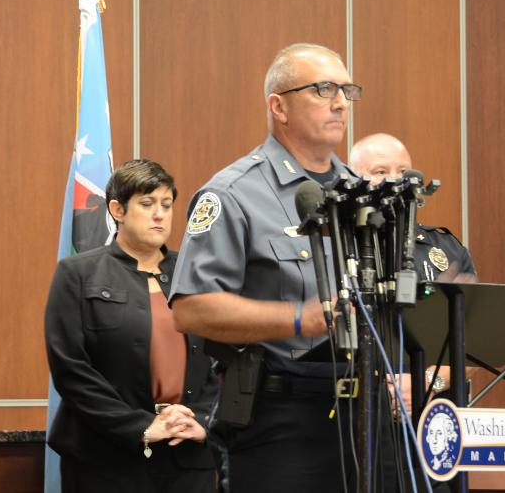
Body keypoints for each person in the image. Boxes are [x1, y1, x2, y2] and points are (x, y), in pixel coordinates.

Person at [170, 44, 398, 493]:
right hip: (281, 417)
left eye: (346, 90)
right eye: (323, 89)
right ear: (279, 106)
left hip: (369, 415)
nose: (339, 103)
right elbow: (190, 309)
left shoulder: (364, 196)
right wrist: (299, 318)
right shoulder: (234, 193)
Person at [45, 159, 217, 493]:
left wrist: (205, 421)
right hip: (107, 457)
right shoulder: (77, 274)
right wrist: (141, 426)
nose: (160, 215)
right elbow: (71, 369)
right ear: (117, 209)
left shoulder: (195, 273)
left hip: (187, 452)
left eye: (166, 205)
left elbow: (222, 358)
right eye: (147, 203)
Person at [348, 132, 478, 413]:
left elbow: (474, 347)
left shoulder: (447, 250)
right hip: (355, 410)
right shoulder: (337, 246)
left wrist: (425, 382)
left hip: (435, 414)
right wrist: (381, 388)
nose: (395, 181)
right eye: (380, 172)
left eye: (404, 172)